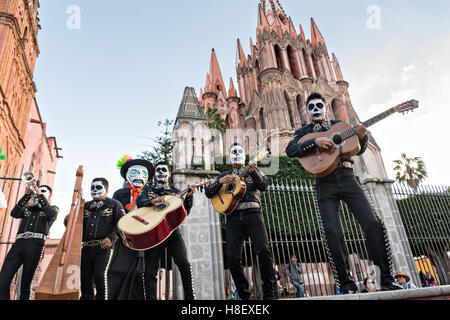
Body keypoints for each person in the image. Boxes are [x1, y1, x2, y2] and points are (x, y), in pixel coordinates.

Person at [286, 92, 402, 294]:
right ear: (307, 111)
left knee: (373, 223)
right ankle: (345, 284)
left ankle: (386, 277)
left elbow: (358, 148)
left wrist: (363, 136)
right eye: (311, 107)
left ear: (325, 108)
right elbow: (291, 150)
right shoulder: (303, 132)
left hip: (348, 177)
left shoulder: (340, 125)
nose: (315, 110)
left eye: (319, 106)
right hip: (324, 182)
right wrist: (315, 143)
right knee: (332, 231)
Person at [205, 143, 277, 300]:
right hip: (233, 218)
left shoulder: (253, 170)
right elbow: (208, 192)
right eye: (234, 152)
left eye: (240, 152)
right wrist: (220, 181)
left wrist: (254, 172)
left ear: (245, 156)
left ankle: (269, 293)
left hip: (254, 214)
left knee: (263, 251)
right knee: (232, 257)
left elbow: (264, 186)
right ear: (230, 157)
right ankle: (244, 295)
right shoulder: (225, 175)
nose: (237, 154)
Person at [136, 162, 196, 300]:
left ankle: (190, 298)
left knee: (184, 264)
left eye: (164, 170)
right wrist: (153, 200)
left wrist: (190, 197)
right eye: (158, 170)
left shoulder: (176, 192)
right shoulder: (147, 190)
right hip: (153, 233)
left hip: (172, 232)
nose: (161, 173)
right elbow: (140, 202)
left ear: (169, 174)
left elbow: (185, 211)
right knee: (150, 271)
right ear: (155, 174)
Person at [0, 184, 58, 300]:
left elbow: (51, 214)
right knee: (3, 280)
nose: (37, 192)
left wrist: (40, 195)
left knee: (25, 285)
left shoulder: (53, 209)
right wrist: (27, 195)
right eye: (36, 191)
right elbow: (14, 213)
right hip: (19, 244)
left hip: (36, 245)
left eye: (42, 191)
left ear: (50, 197)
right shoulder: (27, 208)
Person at [108, 156, 155, 300]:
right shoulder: (119, 194)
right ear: (127, 175)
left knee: (139, 273)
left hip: (143, 238)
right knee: (118, 270)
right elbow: (113, 217)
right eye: (134, 172)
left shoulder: (151, 194)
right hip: (122, 239)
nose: (139, 176)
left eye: (143, 173)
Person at [80, 178, 125, 300]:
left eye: (98, 187)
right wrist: (70, 217)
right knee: (85, 279)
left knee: (100, 276)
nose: (94, 190)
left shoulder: (114, 204)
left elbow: (122, 223)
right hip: (86, 247)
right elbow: (73, 225)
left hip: (104, 247)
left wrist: (112, 238)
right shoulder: (84, 206)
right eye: (92, 187)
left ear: (107, 189)